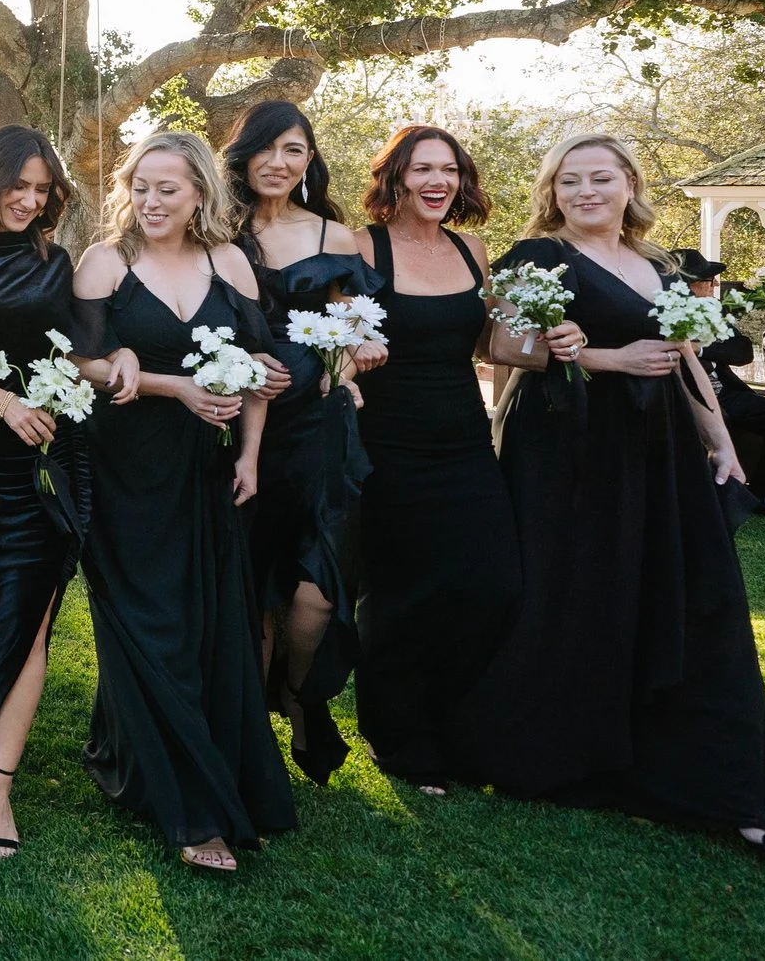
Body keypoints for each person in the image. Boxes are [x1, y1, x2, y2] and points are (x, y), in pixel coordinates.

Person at [463, 133, 765, 856]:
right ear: (552, 191)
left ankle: (728, 785)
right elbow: (500, 345)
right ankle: (563, 752)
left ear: (629, 184)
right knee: (578, 594)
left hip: (659, 449)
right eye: (570, 180)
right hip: (564, 446)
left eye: (600, 178)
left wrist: (722, 442)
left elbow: (688, 357)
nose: (585, 191)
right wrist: (606, 357)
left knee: (695, 599)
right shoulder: (536, 257)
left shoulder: (659, 263)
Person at [69, 130, 295, 873]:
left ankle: (129, 750)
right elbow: (84, 363)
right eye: (140, 186)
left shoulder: (229, 261)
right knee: (146, 620)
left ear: (200, 190)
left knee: (202, 621)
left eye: (167, 188)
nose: (151, 201)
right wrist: (172, 384)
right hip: (126, 467)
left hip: (208, 470)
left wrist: (253, 454)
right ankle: (192, 811)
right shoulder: (106, 261)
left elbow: (260, 366)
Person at [0, 126, 136, 857]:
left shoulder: (54, 256)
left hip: (45, 456)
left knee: (32, 617)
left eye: (43, 190)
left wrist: (117, 360)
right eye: (20, 186)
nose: (31, 201)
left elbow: (67, 348)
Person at [350, 125, 518, 794]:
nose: (437, 180)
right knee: (397, 596)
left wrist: (554, 328)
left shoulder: (472, 248)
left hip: (463, 442)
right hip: (385, 446)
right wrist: (352, 350)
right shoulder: (363, 248)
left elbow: (494, 344)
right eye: (422, 168)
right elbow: (336, 342)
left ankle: (457, 721)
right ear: (396, 177)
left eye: (448, 169)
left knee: (492, 582)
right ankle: (399, 736)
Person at [221, 101, 383, 784]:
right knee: (253, 592)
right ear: (243, 155)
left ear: (309, 159)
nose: (279, 163)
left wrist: (361, 351)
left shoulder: (337, 238)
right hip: (237, 426)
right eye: (266, 149)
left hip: (319, 433)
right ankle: (252, 743)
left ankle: (296, 692)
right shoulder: (219, 234)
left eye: (294, 150)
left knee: (315, 593)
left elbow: (356, 324)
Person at [677, 254, 765, 516]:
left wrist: (699, 348)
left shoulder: (714, 310)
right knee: (718, 426)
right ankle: (711, 498)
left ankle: (762, 496)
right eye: (709, 280)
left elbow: (742, 352)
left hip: (725, 392)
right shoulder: (661, 312)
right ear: (688, 284)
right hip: (687, 398)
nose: (715, 286)